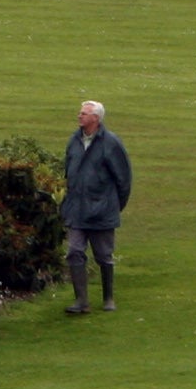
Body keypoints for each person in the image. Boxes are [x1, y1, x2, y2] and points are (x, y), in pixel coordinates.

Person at [59, 100, 133, 314]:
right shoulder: (74, 141)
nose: (79, 116)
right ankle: (81, 301)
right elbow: (68, 172)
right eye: (80, 113)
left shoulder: (111, 143)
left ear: (96, 118)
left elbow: (123, 179)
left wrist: (114, 206)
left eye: (84, 114)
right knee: (74, 252)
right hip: (76, 209)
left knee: (103, 255)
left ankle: (108, 297)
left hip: (102, 209)